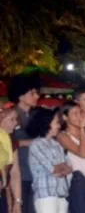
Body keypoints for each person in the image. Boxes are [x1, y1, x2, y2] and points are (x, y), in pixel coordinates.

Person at [26, 109, 70, 213]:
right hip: (45, 194)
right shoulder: (36, 145)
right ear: (47, 123)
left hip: (61, 194)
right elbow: (53, 169)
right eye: (56, 123)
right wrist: (62, 168)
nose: (59, 126)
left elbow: (68, 168)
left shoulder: (57, 144)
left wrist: (62, 168)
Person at [9, 75, 41, 213]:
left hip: (36, 171)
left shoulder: (37, 115)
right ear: (20, 95)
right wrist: (24, 142)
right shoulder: (10, 115)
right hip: (19, 170)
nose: (36, 96)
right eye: (32, 93)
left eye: (37, 93)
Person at [0, 107, 21, 213]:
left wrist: (16, 201)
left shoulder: (9, 140)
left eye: (16, 119)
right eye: (11, 119)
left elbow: (14, 172)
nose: (16, 123)